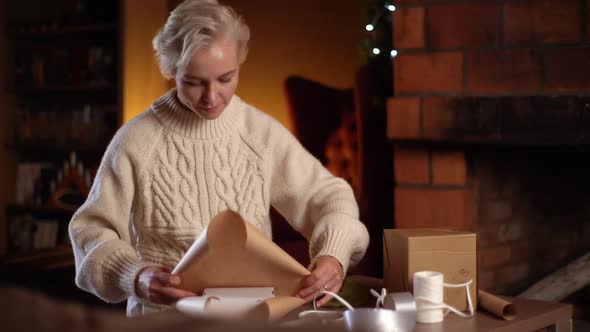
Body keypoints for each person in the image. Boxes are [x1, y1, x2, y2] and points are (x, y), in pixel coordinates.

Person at [69, 0, 369, 317]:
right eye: (194, 82)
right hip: (162, 320)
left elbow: (329, 196)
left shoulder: (259, 132)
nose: (212, 98)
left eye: (226, 78)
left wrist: (333, 255)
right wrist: (136, 276)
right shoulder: (136, 141)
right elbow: (91, 231)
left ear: (240, 61)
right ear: (172, 70)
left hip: (253, 318)